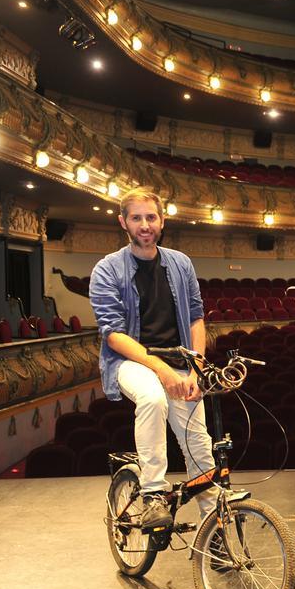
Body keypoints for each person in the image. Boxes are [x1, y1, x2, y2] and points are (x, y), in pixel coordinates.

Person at [90, 188, 215, 533]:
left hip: (179, 361)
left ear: (162, 221)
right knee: (152, 398)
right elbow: (112, 333)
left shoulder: (180, 262)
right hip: (132, 363)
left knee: (199, 447)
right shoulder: (107, 269)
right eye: (136, 218)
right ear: (123, 222)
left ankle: (213, 528)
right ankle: (153, 495)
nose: (145, 225)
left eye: (151, 217)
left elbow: (195, 317)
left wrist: (195, 369)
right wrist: (160, 369)